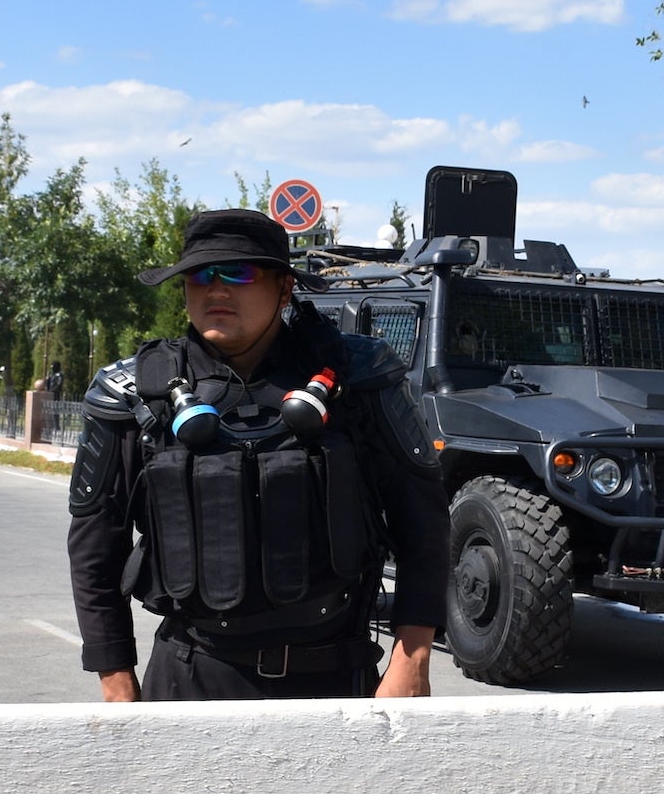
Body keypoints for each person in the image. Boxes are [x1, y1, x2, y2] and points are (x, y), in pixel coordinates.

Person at [66, 207, 450, 701]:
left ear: (284, 289)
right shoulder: (135, 392)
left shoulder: (360, 379)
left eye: (239, 272)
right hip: (190, 677)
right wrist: (114, 675)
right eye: (199, 275)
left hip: (334, 676)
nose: (216, 289)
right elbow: (95, 542)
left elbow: (423, 522)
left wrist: (412, 659)